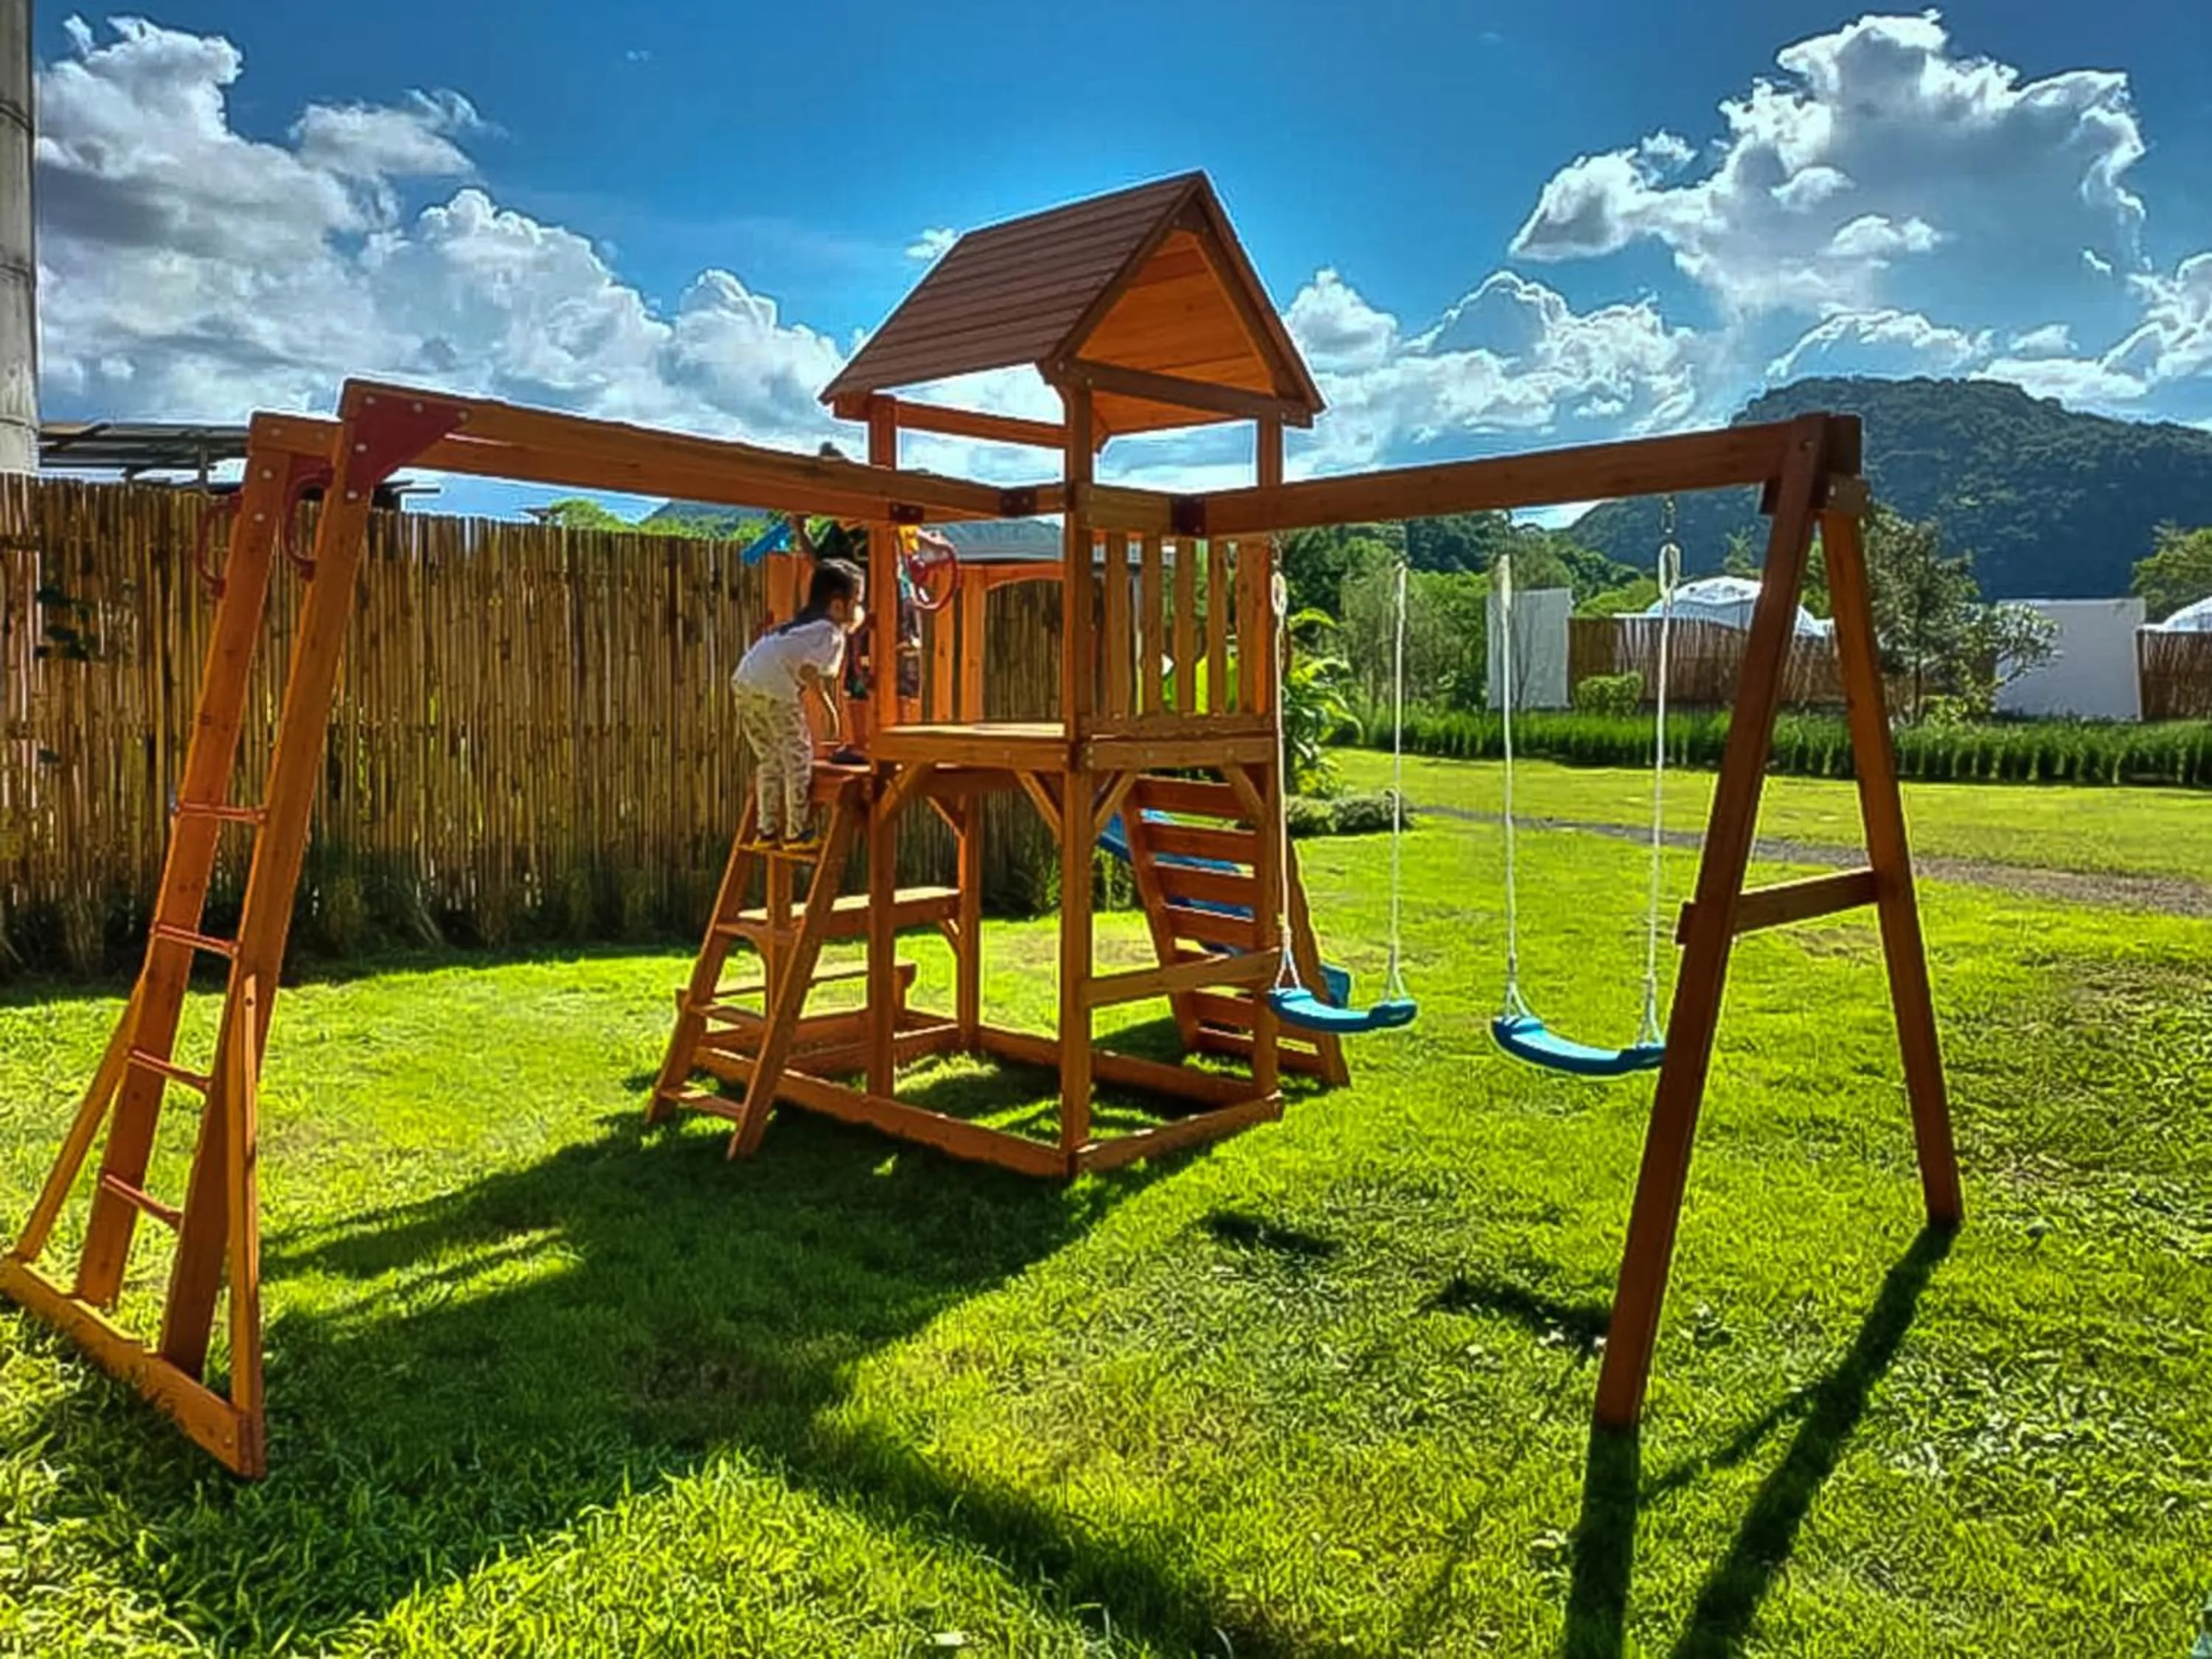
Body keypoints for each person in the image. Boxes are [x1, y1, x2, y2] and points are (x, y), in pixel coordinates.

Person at [731, 557, 865, 849]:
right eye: (857, 601)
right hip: (776, 686)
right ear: (838, 605)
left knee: (769, 758)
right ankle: (796, 832)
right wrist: (830, 708)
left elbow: (801, 668)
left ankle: (766, 832)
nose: (859, 610)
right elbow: (809, 671)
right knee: (798, 757)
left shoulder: (797, 627)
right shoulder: (830, 633)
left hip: (744, 681)